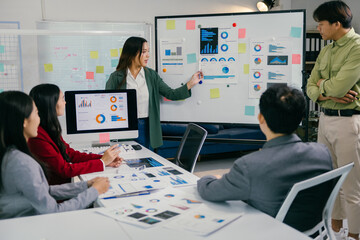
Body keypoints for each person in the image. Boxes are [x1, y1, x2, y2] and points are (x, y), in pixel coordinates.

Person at [197, 85, 333, 232]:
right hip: (313, 232)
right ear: (300, 118)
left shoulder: (249, 166)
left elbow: (209, 191)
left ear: (261, 118)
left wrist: (209, 178)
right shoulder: (322, 153)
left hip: (269, 233)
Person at [0, 91, 110, 219]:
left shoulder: (10, 155)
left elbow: (44, 191)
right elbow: (52, 211)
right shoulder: (22, 163)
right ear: (24, 122)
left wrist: (85, 185)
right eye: (36, 113)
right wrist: (94, 191)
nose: (38, 118)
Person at [306, 1, 360, 239]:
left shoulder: (357, 47)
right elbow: (309, 85)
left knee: (351, 185)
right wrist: (326, 91)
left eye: (321, 24)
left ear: (337, 24)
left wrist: (322, 87)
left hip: (348, 122)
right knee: (329, 177)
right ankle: (335, 229)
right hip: (325, 119)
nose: (319, 29)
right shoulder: (327, 49)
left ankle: (355, 234)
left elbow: (339, 86)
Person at [105, 36, 203, 149]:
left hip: (148, 127)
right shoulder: (116, 77)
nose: (148, 55)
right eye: (144, 52)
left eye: (148, 51)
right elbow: (107, 107)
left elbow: (171, 94)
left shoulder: (151, 75)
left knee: (147, 161)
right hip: (125, 129)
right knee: (126, 161)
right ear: (132, 53)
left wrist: (191, 83)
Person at [28, 84, 122, 185]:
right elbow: (64, 170)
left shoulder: (49, 128)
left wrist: (103, 159)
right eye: (62, 99)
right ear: (51, 103)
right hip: (58, 192)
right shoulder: (37, 136)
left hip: (66, 186)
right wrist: (102, 162)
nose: (65, 102)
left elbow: (69, 154)